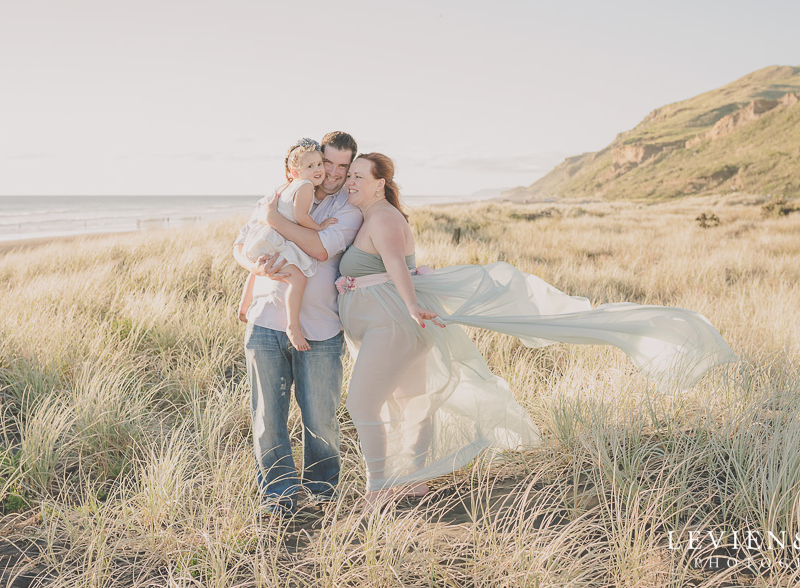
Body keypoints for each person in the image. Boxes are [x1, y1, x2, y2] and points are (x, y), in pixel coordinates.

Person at [336, 152, 738, 507]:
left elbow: (395, 266)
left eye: (358, 175)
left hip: (394, 324)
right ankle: (416, 481)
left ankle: (377, 490)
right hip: (390, 324)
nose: (350, 181)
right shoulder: (370, 217)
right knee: (413, 402)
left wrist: (410, 305)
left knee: (362, 404)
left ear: (379, 184)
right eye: (348, 175)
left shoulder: (384, 218)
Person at [232, 132, 362, 514]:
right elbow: (240, 245)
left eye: (343, 166)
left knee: (320, 415)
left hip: (321, 327)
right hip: (265, 322)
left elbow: (319, 249)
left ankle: (322, 491)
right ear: (316, 160)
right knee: (267, 415)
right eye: (328, 163)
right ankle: (278, 493)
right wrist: (253, 265)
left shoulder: (349, 207)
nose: (334, 173)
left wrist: (274, 221)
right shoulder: (279, 192)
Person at [238, 141, 339, 351]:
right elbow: (301, 217)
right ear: (295, 171)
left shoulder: (285, 186)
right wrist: (319, 227)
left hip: (266, 237)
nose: (317, 170)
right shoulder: (306, 186)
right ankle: (293, 325)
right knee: (298, 279)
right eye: (310, 167)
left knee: (260, 265)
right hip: (276, 238)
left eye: (319, 164)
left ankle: (244, 304)